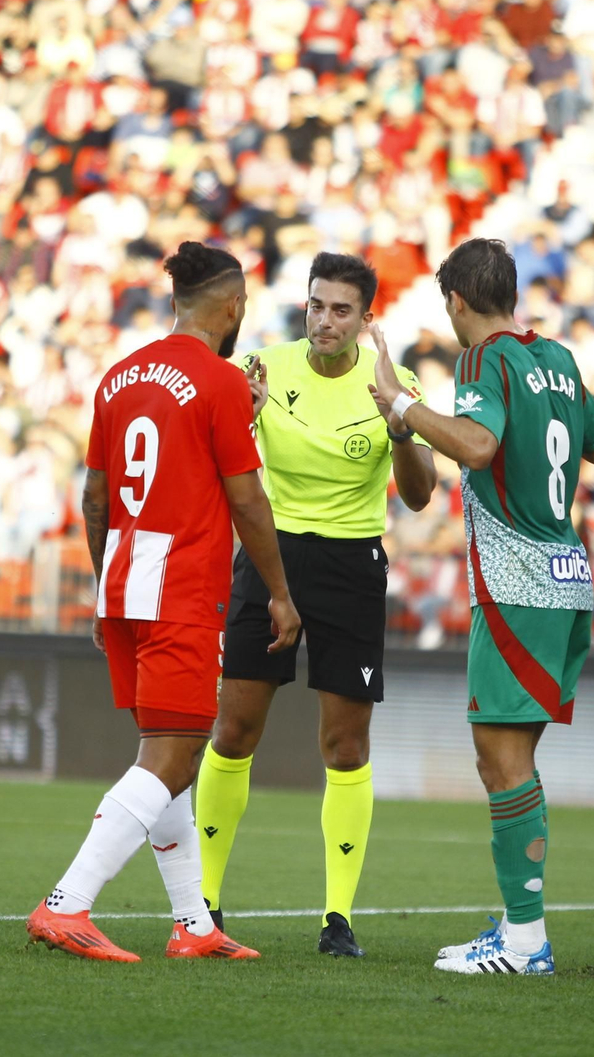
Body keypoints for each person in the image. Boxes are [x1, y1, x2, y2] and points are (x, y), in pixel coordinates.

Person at [26, 242, 300, 963]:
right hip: (181, 589)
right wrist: (278, 593)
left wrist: (105, 578)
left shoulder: (119, 377)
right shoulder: (218, 383)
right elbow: (247, 498)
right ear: (233, 305)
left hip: (121, 584)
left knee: (165, 754)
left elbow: (94, 498)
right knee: (174, 758)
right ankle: (66, 903)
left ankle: (193, 922)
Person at [369, 238, 594, 975]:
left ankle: (526, 942)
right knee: (513, 761)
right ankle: (516, 922)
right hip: (568, 576)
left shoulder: (484, 360)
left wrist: (405, 407)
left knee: (501, 762)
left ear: (457, 302)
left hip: (518, 584)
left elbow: (476, 446)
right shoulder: (561, 359)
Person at [194, 252, 437, 958]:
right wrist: (245, 423)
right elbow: (224, 476)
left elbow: (419, 494)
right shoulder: (260, 371)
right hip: (270, 554)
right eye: (316, 305)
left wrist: (398, 420)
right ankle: (205, 905)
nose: (325, 320)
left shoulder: (394, 382)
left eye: (341, 310)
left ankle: (338, 919)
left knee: (346, 744)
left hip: (351, 562)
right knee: (234, 731)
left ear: (366, 319)